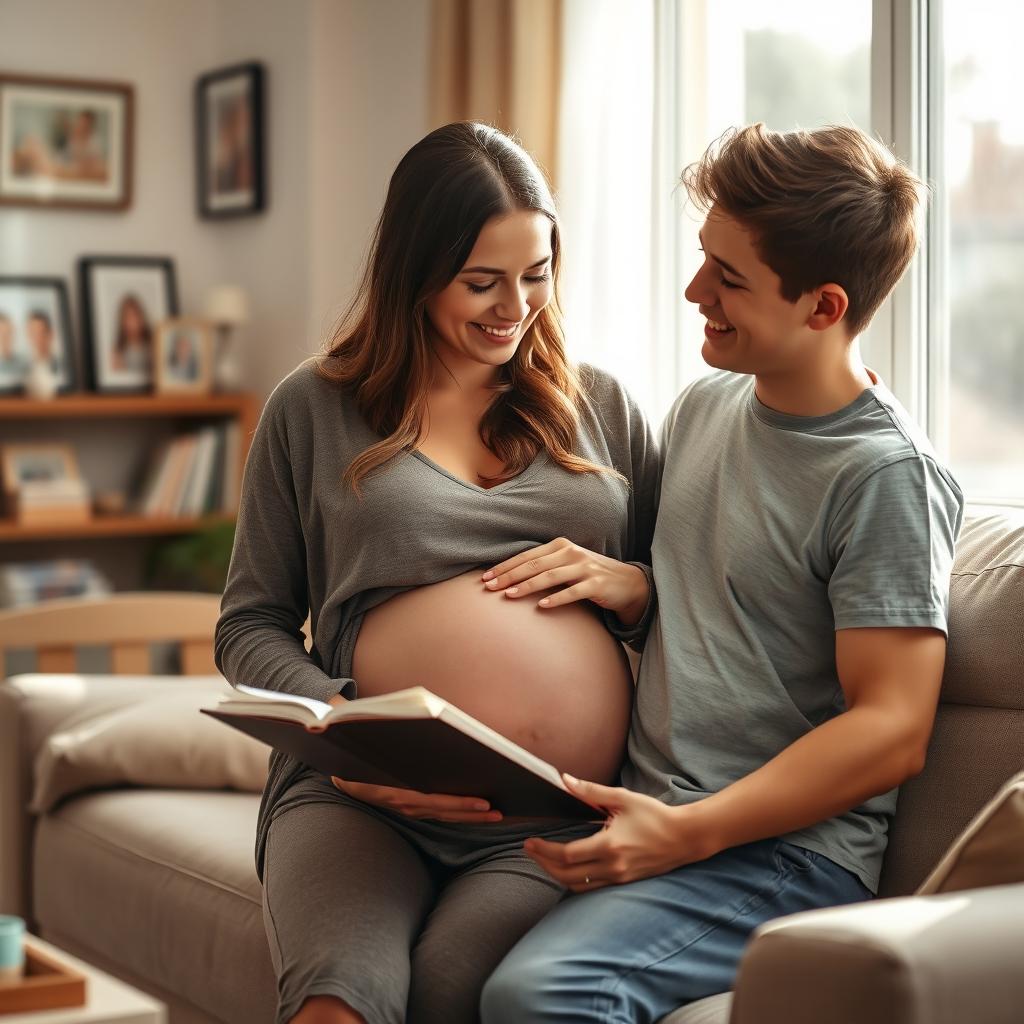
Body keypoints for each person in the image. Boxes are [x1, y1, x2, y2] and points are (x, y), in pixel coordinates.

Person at [480, 123, 965, 1021]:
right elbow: (730, 602)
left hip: (781, 855)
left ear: (823, 308)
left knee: (541, 996)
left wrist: (686, 834)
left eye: (728, 279)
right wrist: (637, 586)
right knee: (431, 958)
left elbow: (893, 728)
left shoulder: (886, 476)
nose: (695, 290)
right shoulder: (706, 405)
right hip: (646, 804)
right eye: (705, 259)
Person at [214, 121, 659, 1024]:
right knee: (343, 998)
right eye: (481, 282)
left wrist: (638, 588)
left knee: (457, 994)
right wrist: (347, 728)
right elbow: (248, 624)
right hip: (360, 798)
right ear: (414, 271)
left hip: (546, 818)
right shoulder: (315, 406)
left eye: (537, 274)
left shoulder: (602, 406)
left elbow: (695, 598)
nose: (515, 307)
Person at [111, 294, 152, 374]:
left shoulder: (151, 345)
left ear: (141, 318)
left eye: (133, 316)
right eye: (126, 317)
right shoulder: (118, 350)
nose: (131, 322)